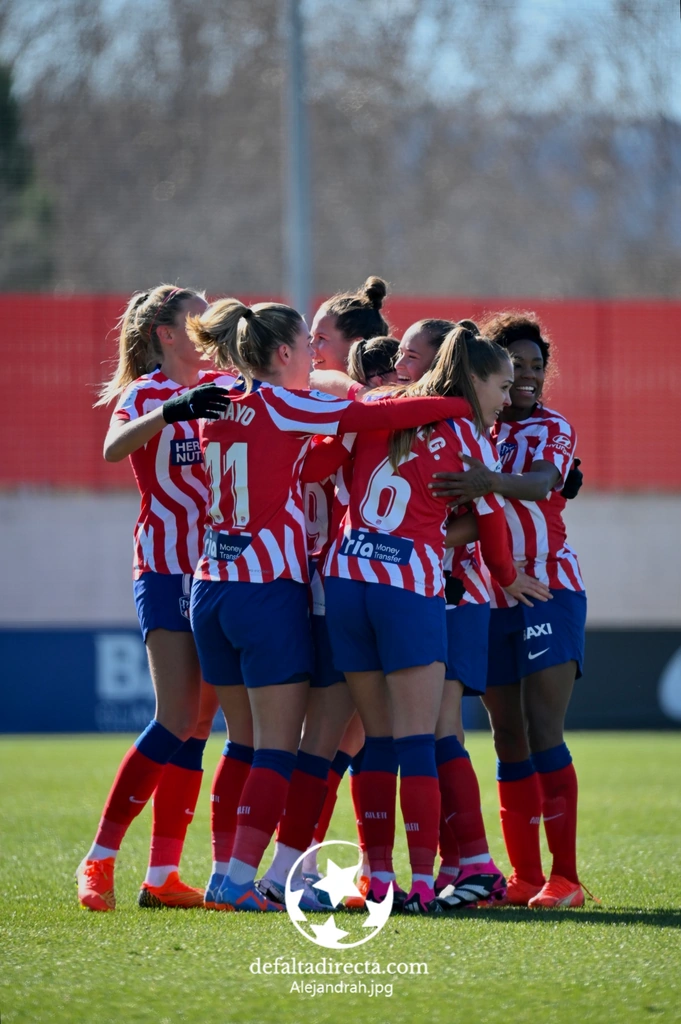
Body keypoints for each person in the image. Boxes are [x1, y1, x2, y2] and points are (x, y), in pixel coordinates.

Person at [184, 297, 475, 913]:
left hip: (211, 584)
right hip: (285, 590)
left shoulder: (216, 397)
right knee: (293, 748)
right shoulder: (294, 403)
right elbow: (368, 417)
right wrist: (462, 397)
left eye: (325, 343)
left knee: (250, 743)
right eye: (306, 345)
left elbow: (316, 454)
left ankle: (241, 871)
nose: (315, 357)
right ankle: (254, 877)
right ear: (285, 353)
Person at [323, 324, 551, 915]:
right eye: (501, 385)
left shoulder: (382, 405)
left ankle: (377, 880)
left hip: (346, 578)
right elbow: (495, 525)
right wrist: (507, 577)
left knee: (376, 739)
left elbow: (326, 455)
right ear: (474, 379)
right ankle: (423, 882)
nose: (508, 397)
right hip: (408, 587)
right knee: (420, 738)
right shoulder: (465, 434)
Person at [77, 284, 232, 912]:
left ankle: (163, 875)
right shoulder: (146, 394)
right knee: (174, 717)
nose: (209, 321)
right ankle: (99, 858)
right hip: (168, 569)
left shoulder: (228, 385)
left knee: (197, 726)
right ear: (167, 334)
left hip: (225, 574)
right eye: (197, 315)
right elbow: (114, 449)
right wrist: (175, 411)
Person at [430, 312, 588, 908]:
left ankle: (565, 878)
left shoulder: (552, 427)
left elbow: (546, 481)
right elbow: (465, 518)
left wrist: (488, 480)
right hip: (490, 593)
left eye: (536, 366)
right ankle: (523, 877)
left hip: (548, 587)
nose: (526, 377)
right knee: (508, 738)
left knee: (545, 728)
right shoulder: (476, 427)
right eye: (514, 366)